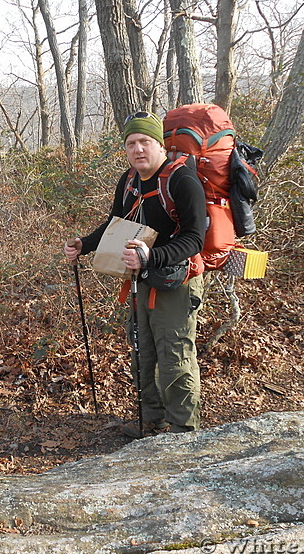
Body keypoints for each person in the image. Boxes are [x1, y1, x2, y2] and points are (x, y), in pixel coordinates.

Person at [64, 111, 206, 436]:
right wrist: (83, 244)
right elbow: (116, 225)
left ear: (160, 144)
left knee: (174, 354)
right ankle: (150, 419)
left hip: (177, 280)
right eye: (131, 143)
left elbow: (195, 238)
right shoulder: (129, 180)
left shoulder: (182, 181)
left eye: (145, 142)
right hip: (142, 277)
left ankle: (184, 430)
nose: (138, 149)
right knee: (142, 349)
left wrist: (151, 256)